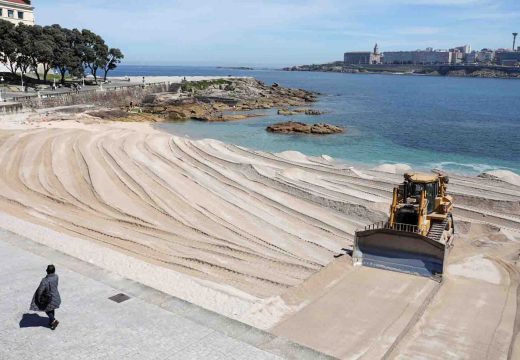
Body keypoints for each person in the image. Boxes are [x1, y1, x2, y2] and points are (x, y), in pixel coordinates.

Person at [30, 265, 62, 330]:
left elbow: (40, 291)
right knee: (51, 309)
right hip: (55, 296)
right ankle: (51, 323)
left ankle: (53, 320)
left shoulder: (45, 280)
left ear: (47, 271)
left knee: (46, 309)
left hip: (48, 298)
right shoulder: (56, 277)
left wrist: (38, 299)